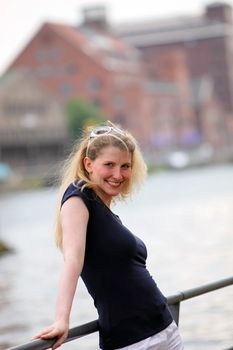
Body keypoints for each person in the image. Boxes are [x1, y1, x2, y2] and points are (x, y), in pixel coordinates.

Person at [33, 122, 184, 350]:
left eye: (125, 166)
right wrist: (62, 319)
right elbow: (73, 260)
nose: (118, 174)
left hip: (164, 329)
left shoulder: (106, 211)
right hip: (131, 341)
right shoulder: (78, 197)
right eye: (109, 165)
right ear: (88, 164)